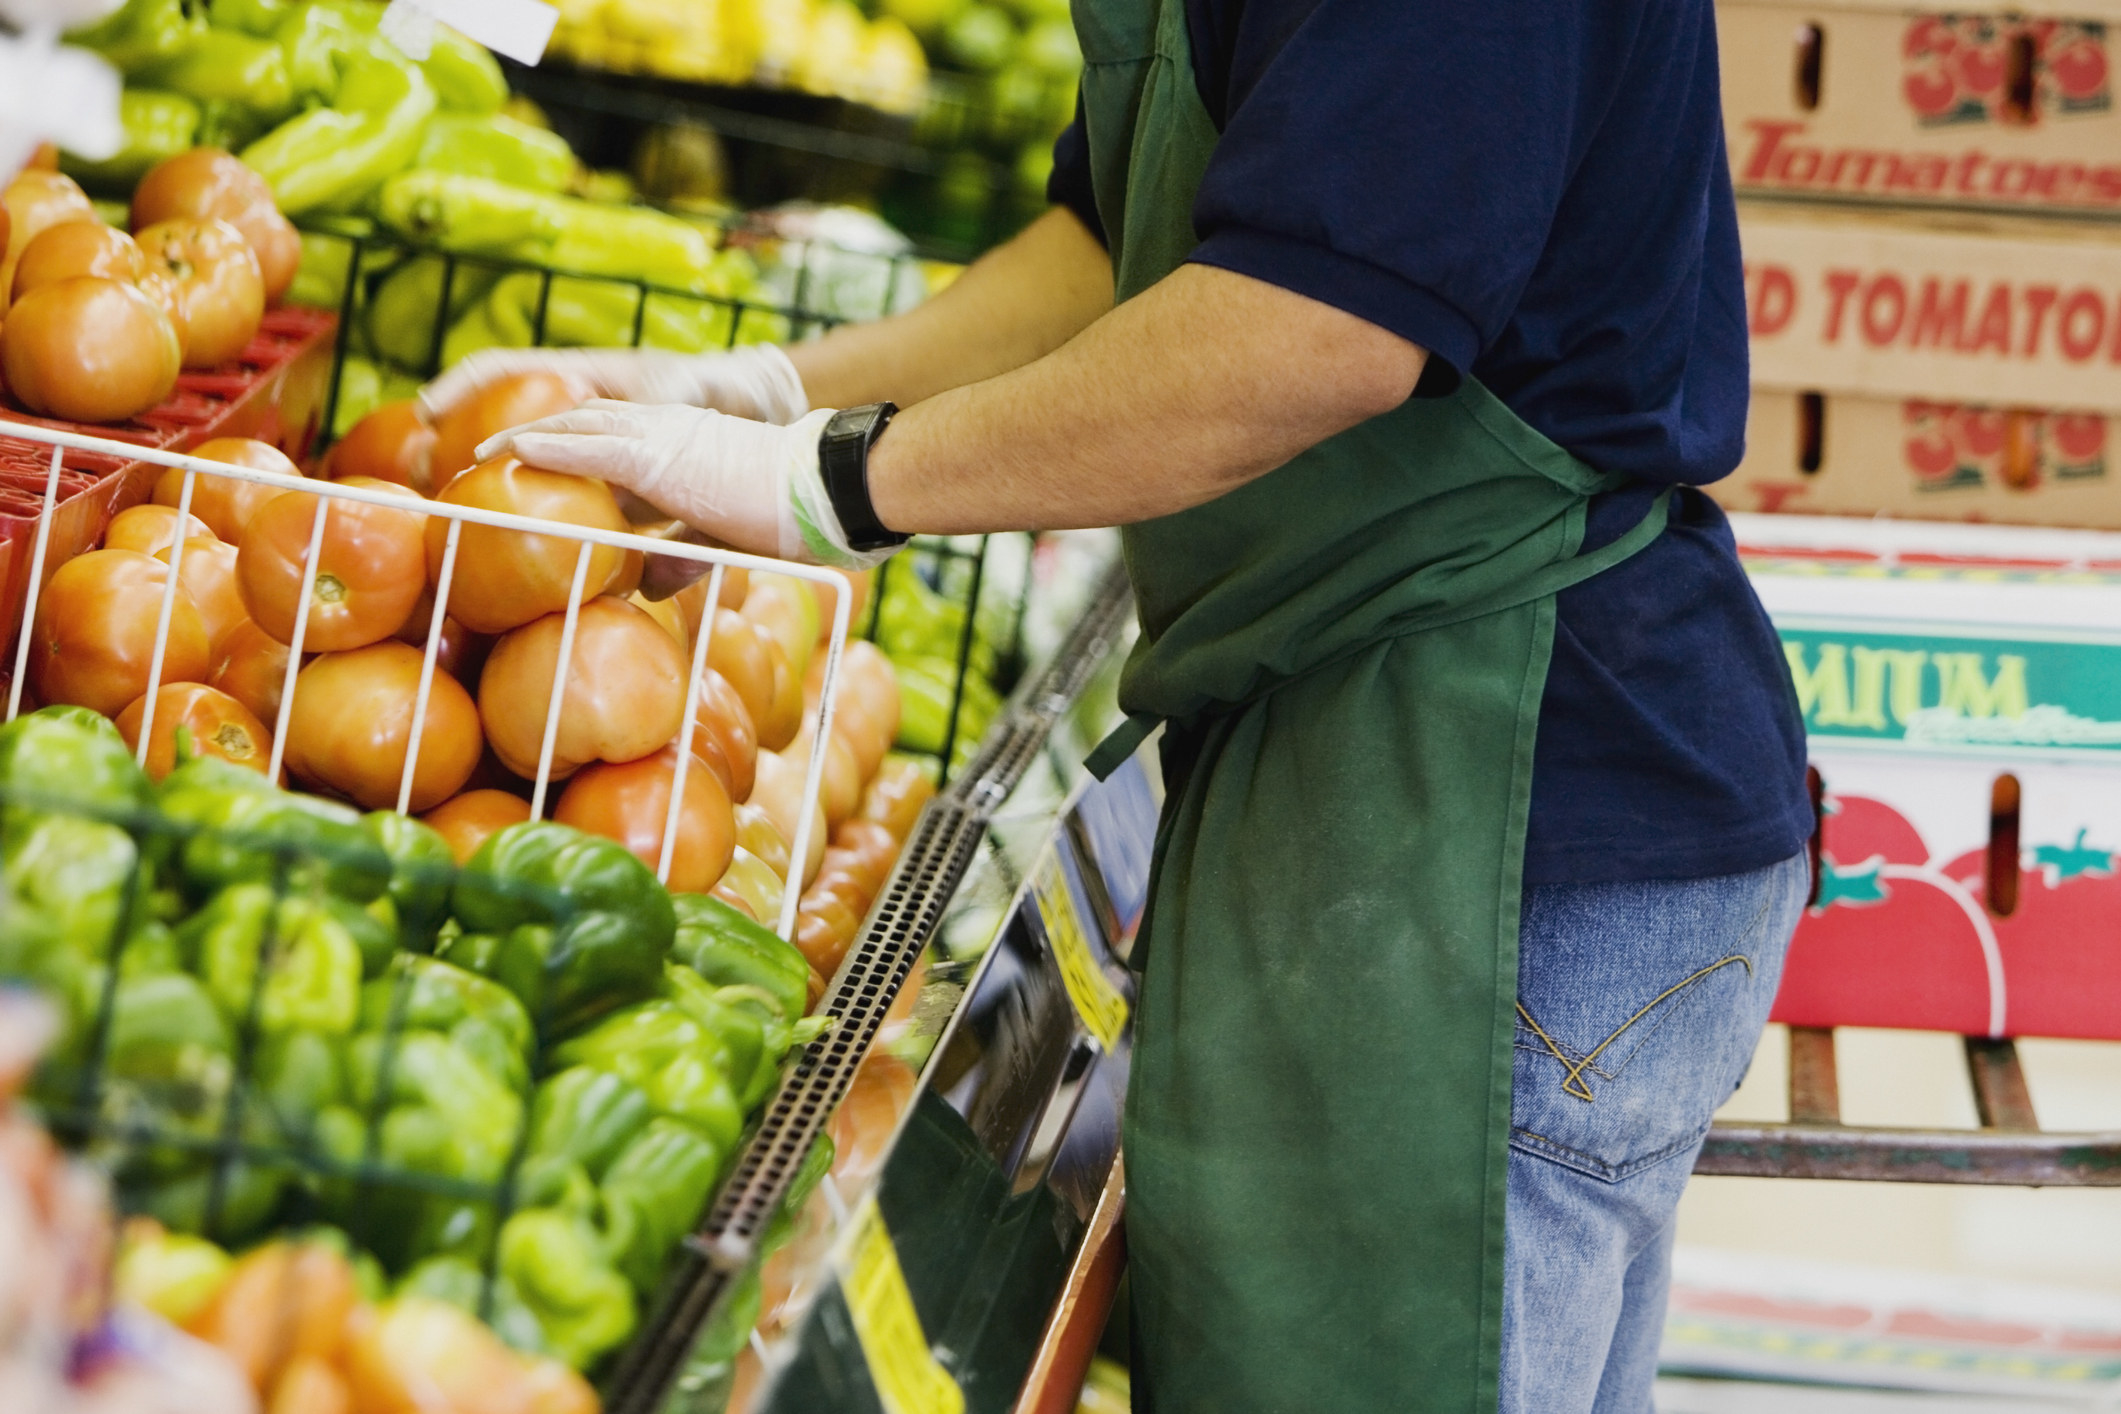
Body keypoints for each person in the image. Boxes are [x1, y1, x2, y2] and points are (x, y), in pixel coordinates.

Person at [423, 2, 1815, 1408]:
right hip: (1379, 761)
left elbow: (1313, 328)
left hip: (1509, 808)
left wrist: (834, 482)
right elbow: (1119, 257)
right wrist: (767, 394)